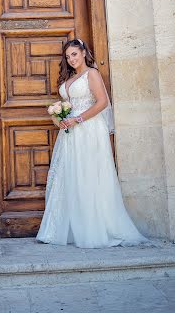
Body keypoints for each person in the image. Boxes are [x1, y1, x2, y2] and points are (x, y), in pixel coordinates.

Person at [36, 38, 148, 248]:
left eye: (75, 54)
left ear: (84, 53)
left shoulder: (92, 74)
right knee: (70, 175)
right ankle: (67, 228)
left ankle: (94, 229)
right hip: (70, 132)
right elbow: (69, 104)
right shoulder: (70, 78)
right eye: (68, 56)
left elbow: (103, 102)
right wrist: (59, 117)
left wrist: (77, 119)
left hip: (88, 129)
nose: (71, 59)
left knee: (88, 174)